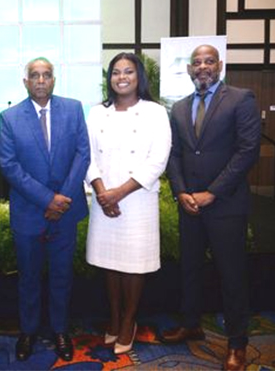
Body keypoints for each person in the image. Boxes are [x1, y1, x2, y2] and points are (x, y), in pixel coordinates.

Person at [164, 44, 261, 371]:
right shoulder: (179, 108)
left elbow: (247, 151)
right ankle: (190, 324)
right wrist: (181, 192)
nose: (202, 67)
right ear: (189, 69)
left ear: (219, 65)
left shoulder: (241, 99)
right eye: (197, 62)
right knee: (189, 269)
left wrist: (213, 193)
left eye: (209, 61)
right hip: (189, 205)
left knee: (232, 275)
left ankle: (237, 343)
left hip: (226, 205)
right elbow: (175, 154)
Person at [0, 57, 90, 362]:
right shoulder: (10, 117)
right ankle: (28, 331)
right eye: (34, 75)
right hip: (29, 212)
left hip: (66, 212)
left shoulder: (73, 109)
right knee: (29, 278)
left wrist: (61, 200)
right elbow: (9, 166)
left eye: (46, 75)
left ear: (54, 80)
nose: (40, 80)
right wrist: (48, 200)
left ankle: (60, 330)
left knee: (62, 276)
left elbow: (83, 154)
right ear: (26, 82)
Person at [85, 53, 171, 354]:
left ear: (139, 77)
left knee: (134, 264)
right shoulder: (97, 112)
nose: (122, 77)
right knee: (109, 262)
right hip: (103, 198)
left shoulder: (155, 112)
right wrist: (101, 191)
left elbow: (158, 160)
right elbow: (87, 155)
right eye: (116, 72)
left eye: (129, 72)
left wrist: (118, 193)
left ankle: (128, 320)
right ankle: (114, 316)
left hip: (137, 199)